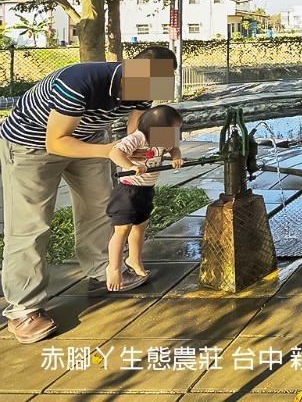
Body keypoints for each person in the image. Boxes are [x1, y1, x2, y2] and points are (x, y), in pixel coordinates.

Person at [0, 46, 176, 344]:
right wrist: (110, 151)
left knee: (100, 208)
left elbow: (139, 125)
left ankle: (101, 273)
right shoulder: (79, 81)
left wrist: (156, 150)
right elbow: (56, 142)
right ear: (131, 68)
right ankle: (23, 309)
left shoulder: (144, 84)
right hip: (31, 146)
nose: (155, 90)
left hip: (90, 138)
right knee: (31, 226)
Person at [106, 105, 184, 290]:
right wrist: (130, 165)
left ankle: (134, 259)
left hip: (146, 190)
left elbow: (174, 148)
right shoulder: (138, 138)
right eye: (174, 129)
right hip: (128, 190)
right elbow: (114, 152)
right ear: (157, 129)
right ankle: (114, 268)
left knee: (139, 229)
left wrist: (176, 157)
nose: (176, 134)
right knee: (122, 229)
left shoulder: (163, 138)